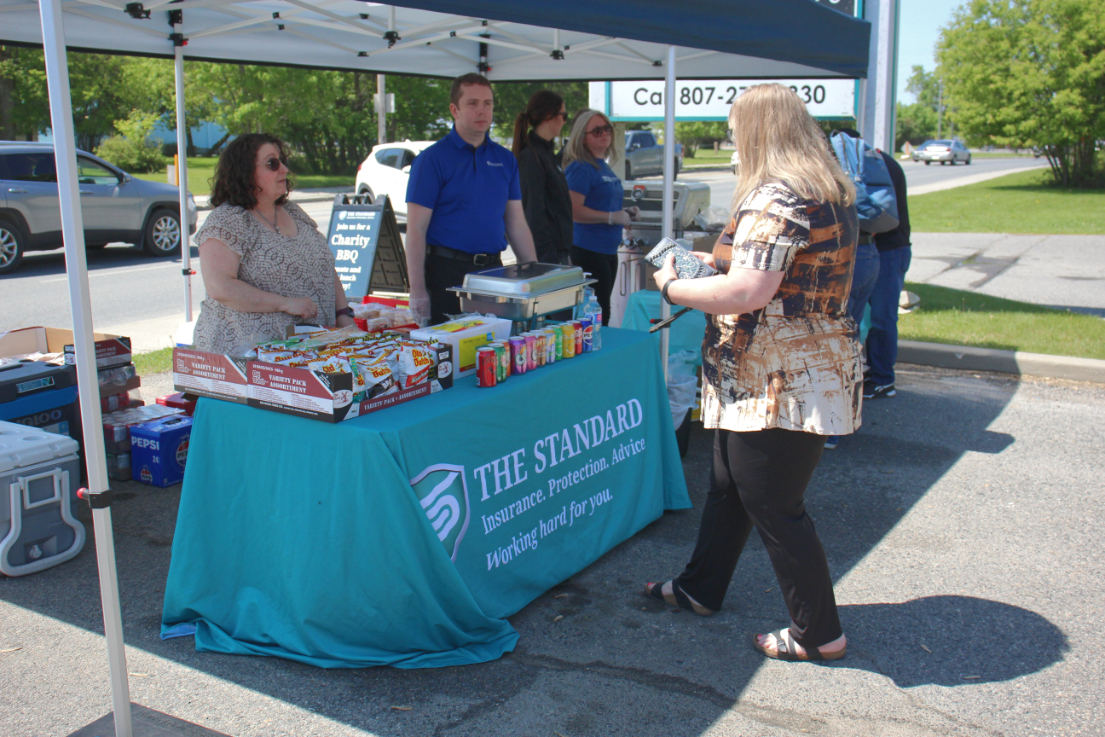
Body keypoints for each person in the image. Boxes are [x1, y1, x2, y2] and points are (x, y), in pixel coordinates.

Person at [645, 84, 863, 662]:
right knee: (728, 483)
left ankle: (820, 634)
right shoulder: (824, 187)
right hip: (782, 371)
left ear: (760, 129)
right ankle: (700, 588)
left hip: (779, 381)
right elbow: (766, 275)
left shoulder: (779, 197)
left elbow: (749, 289)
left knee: (772, 502)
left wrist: (672, 285)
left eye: (737, 127)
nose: (733, 140)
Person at [193, 133, 353, 354]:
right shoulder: (227, 220)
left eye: (283, 161)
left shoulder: (294, 213)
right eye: (272, 163)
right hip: (247, 360)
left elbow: (326, 267)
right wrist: (284, 303)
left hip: (309, 353)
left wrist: (343, 313)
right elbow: (220, 287)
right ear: (245, 172)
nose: (284, 169)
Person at [405, 73, 538, 326]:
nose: (482, 110)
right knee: (451, 359)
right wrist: (418, 291)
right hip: (446, 273)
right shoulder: (432, 160)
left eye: (488, 103)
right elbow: (415, 230)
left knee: (494, 355)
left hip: (493, 273)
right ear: (454, 110)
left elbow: (517, 224)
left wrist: (533, 275)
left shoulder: (505, 159)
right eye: (473, 103)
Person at [823, 127, 880, 450]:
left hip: (846, 261)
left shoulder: (822, 182)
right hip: (868, 253)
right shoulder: (852, 175)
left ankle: (831, 426)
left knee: (833, 344)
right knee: (849, 340)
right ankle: (844, 417)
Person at [562, 110, 639, 326]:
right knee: (595, 316)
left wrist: (625, 211)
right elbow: (573, 210)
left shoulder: (601, 166)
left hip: (606, 251)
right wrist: (612, 217)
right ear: (582, 137)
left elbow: (600, 203)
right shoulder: (580, 168)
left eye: (607, 129)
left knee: (602, 312)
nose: (604, 134)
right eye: (596, 131)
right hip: (587, 251)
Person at [865, 147, 911, 399]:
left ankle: (883, 379)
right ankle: (876, 373)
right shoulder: (882, 161)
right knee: (876, 318)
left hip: (889, 250)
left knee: (882, 318)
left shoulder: (876, 164)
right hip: (886, 249)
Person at [513, 90, 572, 265]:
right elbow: (533, 214)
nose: (564, 121)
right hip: (546, 256)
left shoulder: (546, 154)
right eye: (564, 116)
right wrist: (547, 259)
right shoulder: (532, 157)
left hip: (557, 252)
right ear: (548, 116)